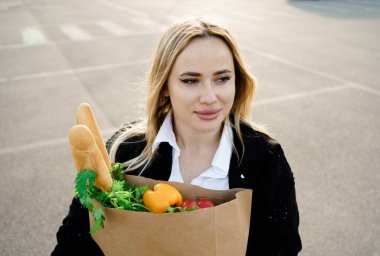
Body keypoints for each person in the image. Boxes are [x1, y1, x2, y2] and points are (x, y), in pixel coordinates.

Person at [52, 19, 302, 255]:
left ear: (237, 81)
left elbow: (284, 247)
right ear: (165, 88)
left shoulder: (266, 157)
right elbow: (75, 237)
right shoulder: (124, 150)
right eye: (191, 80)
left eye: (222, 78)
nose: (209, 97)